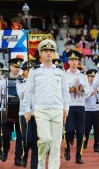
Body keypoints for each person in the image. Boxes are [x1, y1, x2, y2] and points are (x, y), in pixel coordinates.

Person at [23, 39, 71, 169]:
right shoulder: (34, 71)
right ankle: (41, 164)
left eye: (51, 51)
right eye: (45, 51)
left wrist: (66, 109)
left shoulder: (60, 71)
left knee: (56, 144)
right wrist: (27, 110)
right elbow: (28, 92)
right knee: (44, 139)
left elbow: (65, 92)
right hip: (41, 110)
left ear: (54, 53)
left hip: (57, 110)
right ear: (40, 53)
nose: (48, 53)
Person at [63, 51, 89, 164]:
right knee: (68, 130)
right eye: (72, 60)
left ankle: (78, 155)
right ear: (68, 61)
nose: (74, 62)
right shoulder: (64, 75)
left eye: (76, 60)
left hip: (80, 105)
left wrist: (82, 89)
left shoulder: (83, 76)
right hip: (69, 106)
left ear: (78, 61)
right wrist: (68, 90)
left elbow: (88, 91)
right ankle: (67, 148)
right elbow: (61, 90)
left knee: (80, 132)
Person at [1, 58, 23, 166]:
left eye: (19, 67)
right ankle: (5, 151)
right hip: (8, 111)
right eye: (15, 67)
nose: (17, 69)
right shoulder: (3, 79)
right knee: (6, 135)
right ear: (10, 67)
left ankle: (18, 158)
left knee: (20, 136)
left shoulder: (23, 79)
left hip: (20, 110)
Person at [17, 61, 38, 168]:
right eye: (27, 70)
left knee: (36, 141)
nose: (30, 72)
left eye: (32, 70)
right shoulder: (20, 81)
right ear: (24, 71)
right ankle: (24, 155)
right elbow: (21, 95)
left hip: (37, 113)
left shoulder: (39, 81)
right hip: (24, 113)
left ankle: (34, 165)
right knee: (26, 139)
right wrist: (30, 83)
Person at [83, 69, 99, 153]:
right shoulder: (85, 86)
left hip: (97, 110)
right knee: (87, 129)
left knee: (97, 129)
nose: (92, 78)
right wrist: (91, 94)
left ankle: (96, 145)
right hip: (88, 110)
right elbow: (82, 98)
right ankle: (84, 142)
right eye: (91, 76)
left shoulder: (98, 86)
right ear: (87, 76)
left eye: (94, 76)